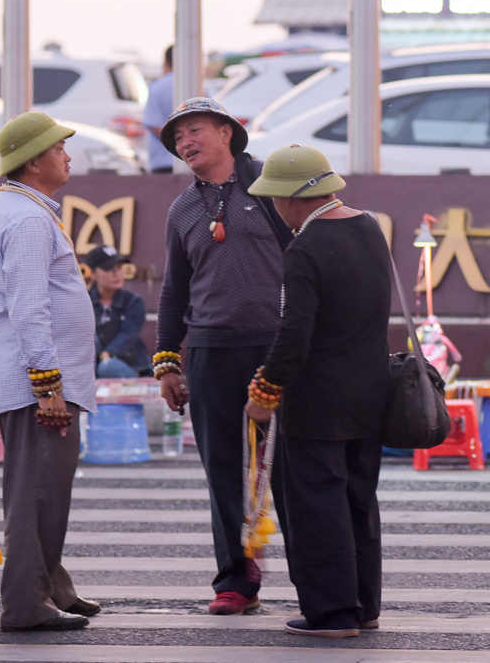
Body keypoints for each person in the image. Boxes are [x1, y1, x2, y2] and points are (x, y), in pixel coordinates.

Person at [0, 111, 100, 632]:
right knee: (39, 495)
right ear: (34, 161)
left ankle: (52, 587)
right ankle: (25, 604)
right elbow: (30, 305)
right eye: (59, 148)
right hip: (39, 386)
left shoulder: (4, 208)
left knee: (40, 490)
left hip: (18, 376)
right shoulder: (31, 218)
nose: (67, 155)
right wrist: (47, 385)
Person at [243, 144, 390, 638]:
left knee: (316, 505)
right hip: (369, 394)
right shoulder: (369, 227)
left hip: (318, 401)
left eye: (275, 199)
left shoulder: (306, 246)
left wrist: (264, 392)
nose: (276, 210)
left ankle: (332, 613)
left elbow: (294, 333)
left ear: (293, 198)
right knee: (357, 500)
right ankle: (364, 605)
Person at [154, 97, 291, 615]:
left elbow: (307, 263)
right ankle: (236, 581)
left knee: (290, 466)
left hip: (276, 347)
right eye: (177, 139)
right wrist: (168, 362)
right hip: (211, 353)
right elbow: (174, 292)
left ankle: (315, 580)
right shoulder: (182, 208)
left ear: (227, 133)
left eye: (194, 131)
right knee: (225, 472)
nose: (185, 143)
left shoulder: (271, 187)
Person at [84, 245, 151, 378]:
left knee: (108, 368)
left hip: (131, 369)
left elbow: (128, 334)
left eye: (119, 268)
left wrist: (107, 354)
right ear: (92, 273)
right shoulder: (84, 302)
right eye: (109, 269)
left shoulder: (133, 302)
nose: (116, 274)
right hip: (91, 369)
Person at [142, 45, 174, 173]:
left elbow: (154, 125)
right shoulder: (201, 86)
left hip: (162, 162)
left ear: (165, 64)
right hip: (193, 163)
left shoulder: (157, 87)